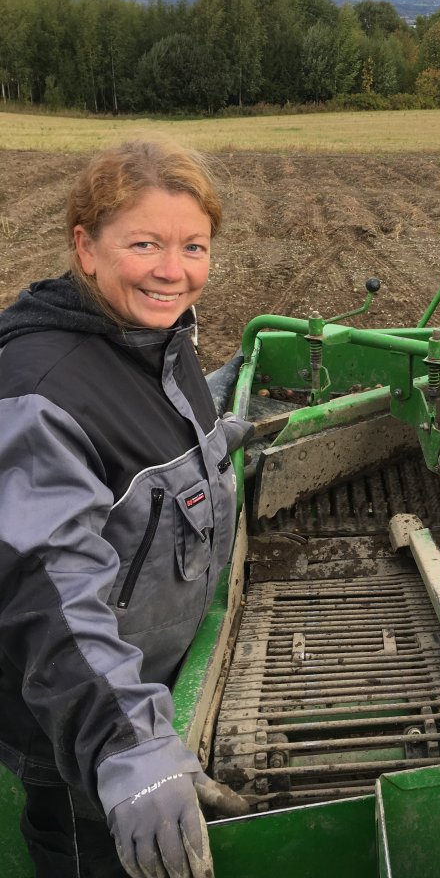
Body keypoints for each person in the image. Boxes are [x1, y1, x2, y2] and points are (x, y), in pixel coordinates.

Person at [0, 139, 253, 877]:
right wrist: (129, 746)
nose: (173, 270)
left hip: (149, 701)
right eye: (145, 243)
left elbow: (141, 466)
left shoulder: (153, 342)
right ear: (86, 246)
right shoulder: (39, 391)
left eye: (193, 246)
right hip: (85, 757)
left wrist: (227, 440)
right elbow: (49, 590)